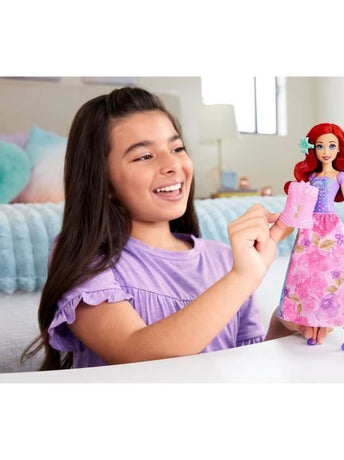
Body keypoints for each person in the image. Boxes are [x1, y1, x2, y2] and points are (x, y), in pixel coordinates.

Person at [22, 87, 328, 371]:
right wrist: (243, 277)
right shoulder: (86, 257)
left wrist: (285, 324)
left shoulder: (223, 259)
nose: (173, 165)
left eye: (177, 148)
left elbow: (244, 362)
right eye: (144, 156)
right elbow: (134, 352)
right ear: (104, 181)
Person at [277, 123, 344, 350]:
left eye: (331, 146)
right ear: (313, 149)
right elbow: (300, 205)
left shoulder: (341, 176)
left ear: (339, 149)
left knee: (338, 275)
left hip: (331, 227)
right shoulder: (312, 176)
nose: (326, 151)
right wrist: (289, 228)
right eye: (320, 146)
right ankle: (314, 328)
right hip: (310, 227)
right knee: (310, 276)